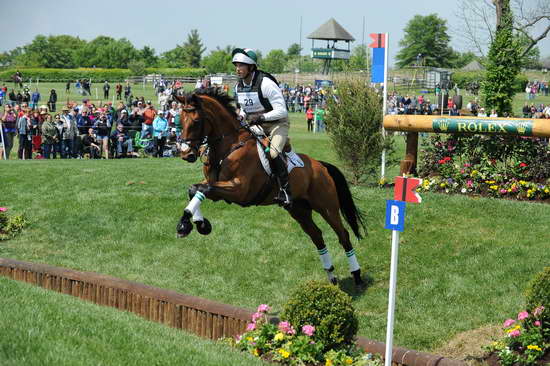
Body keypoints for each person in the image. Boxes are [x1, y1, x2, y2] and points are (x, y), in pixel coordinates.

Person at [232, 47, 292, 207]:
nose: (238, 69)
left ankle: (285, 191)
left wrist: (261, 117)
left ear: (251, 67)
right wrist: (241, 116)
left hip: (277, 124)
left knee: (272, 153)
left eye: (241, 65)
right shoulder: (238, 87)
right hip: (256, 125)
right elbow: (244, 110)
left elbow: (282, 110)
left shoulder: (265, 83)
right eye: (236, 65)